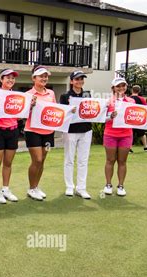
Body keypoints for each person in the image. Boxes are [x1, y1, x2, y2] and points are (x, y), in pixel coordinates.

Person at [0, 68, 20, 204]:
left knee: (8, 163)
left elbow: (19, 117)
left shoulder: (19, 97)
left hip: (13, 131)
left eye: (13, 78)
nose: (10, 80)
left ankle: (6, 189)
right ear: (1, 79)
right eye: (7, 77)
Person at [59, 70, 92, 199]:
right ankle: (69, 186)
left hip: (86, 130)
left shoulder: (88, 95)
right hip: (70, 131)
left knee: (83, 160)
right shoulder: (65, 96)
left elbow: (92, 110)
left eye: (81, 79)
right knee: (69, 159)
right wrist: (69, 110)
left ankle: (81, 188)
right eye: (77, 79)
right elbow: (61, 113)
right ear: (72, 81)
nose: (80, 81)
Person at [25, 65, 56, 201]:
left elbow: (54, 109)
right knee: (36, 159)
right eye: (41, 76)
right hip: (32, 131)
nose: (44, 78)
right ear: (34, 78)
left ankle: (36, 187)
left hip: (48, 132)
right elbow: (22, 114)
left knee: (42, 160)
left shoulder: (51, 93)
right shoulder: (28, 95)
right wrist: (30, 106)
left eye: (46, 76)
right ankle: (31, 188)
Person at [103, 77, 135, 197]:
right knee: (110, 160)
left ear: (126, 87)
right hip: (110, 134)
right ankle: (108, 185)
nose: (121, 88)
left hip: (126, 135)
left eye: (123, 86)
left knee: (122, 161)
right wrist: (111, 116)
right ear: (113, 88)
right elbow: (102, 118)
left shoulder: (131, 101)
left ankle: (121, 186)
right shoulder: (108, 101)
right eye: (118, 86)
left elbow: (137, 115)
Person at [130, 85, 147, 152]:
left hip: (130, 118)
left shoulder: (128, 98)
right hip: (139, 118)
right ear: (139, 91)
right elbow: (146, 108)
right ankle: (145, 147)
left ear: (132, 90)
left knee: (130, 133)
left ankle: (129, 148)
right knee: (142, 133)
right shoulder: (141, 99)